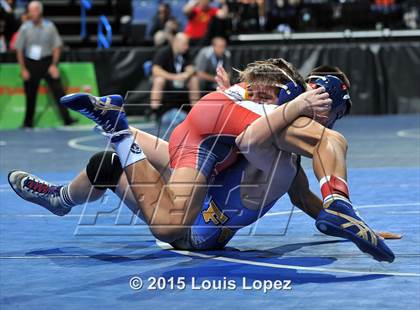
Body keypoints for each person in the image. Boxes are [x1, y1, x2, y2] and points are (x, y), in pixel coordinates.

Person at [8, 59, 397, 262]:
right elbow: (252, 137)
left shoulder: (286, 148)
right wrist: (292, 104)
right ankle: (89, 166)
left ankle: (68, 189)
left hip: (199, 186)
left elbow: (304, 199)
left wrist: (357, 225)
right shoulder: (282, 131)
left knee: (110, 167)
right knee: (164, 223)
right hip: (197, 217)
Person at [14, 1, 75, 128]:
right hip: (31, 63)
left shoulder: (49, 26)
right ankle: (28, 122)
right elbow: (19, 49)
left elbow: (57, 46)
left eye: (34, 10)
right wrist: (23, 68)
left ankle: (67, 118)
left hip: (47, 62)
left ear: (40, 11)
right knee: (30, 94)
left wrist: (53, 65)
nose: (32, 13)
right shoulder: (25, 27)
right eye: (30, 10)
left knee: (58, 91)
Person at [150, 32, 200, 116]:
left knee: (194, 79)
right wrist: (174, 77)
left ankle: (195, 111)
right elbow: (155, 70)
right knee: (159, 80)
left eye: (187, 44)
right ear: (176, 42)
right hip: (168, 80)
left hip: (182, 81)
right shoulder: (164, 52)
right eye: (184, 44)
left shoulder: (186, 53)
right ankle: (154, 111)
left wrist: (187, 74)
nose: (186, 47)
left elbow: (191, 68)